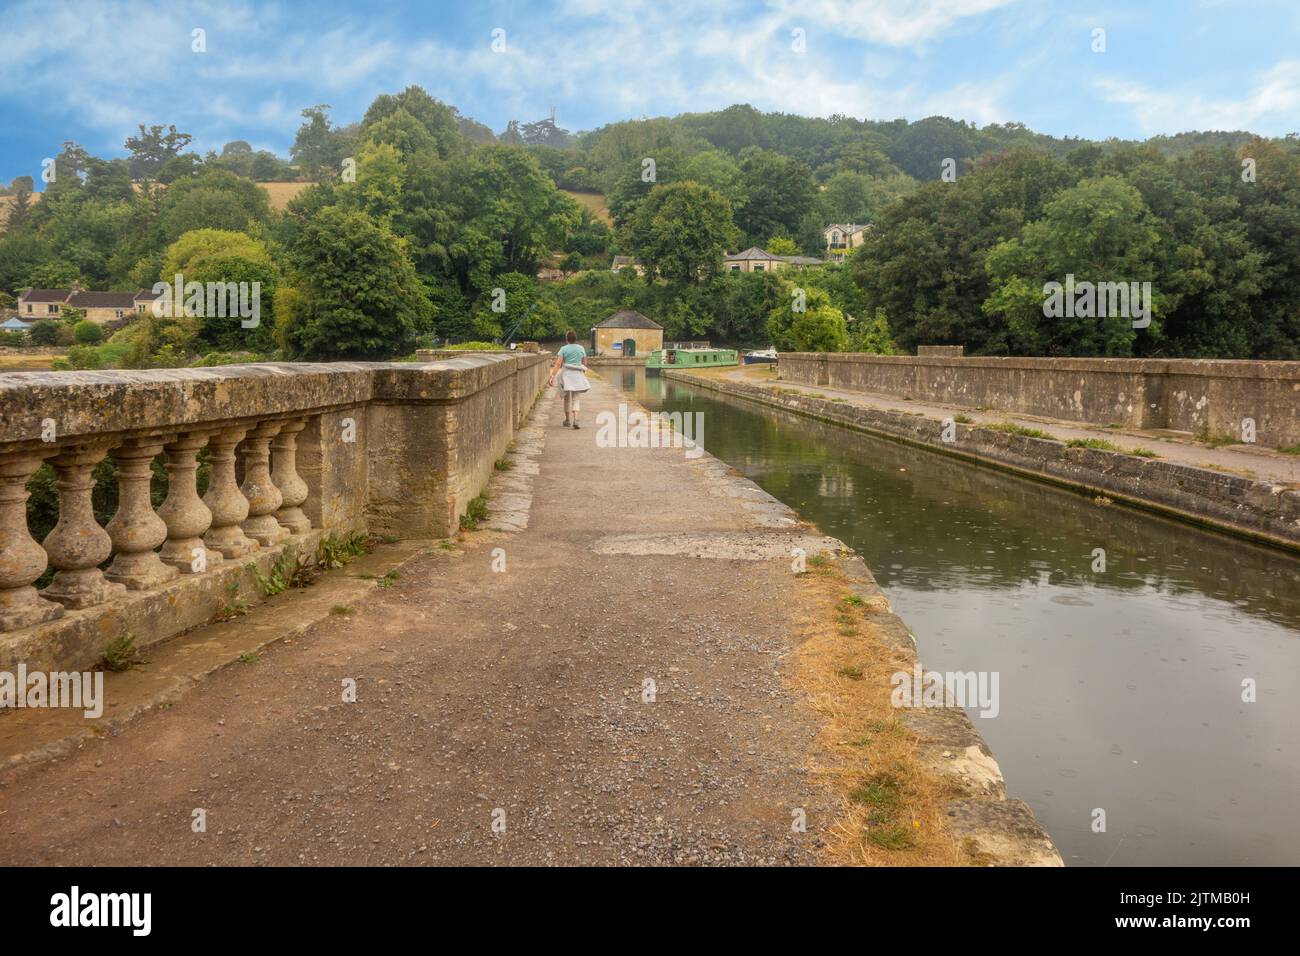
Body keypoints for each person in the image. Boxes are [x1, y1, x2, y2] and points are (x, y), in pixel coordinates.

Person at [550, 329, 591, 428]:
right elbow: (585, 363)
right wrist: (582, 371)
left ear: (566, 339)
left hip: (566, 375)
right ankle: (576, 420)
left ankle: (567, 420)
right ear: (575, 339)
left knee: (567, 398)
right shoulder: (581, 348)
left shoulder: (563, 349)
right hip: (577, 374)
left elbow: (558, 364)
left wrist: (552, 376)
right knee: (576, 398)